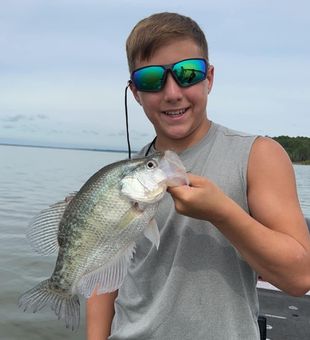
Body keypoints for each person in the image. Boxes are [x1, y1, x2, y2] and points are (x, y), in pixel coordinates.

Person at [86, 12, 310, 339]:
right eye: (151, 79)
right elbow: (102, 275)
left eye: (188, 73)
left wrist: (222, 212)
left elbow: (299, 277)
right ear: (135, 92)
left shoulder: (258, 156)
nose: (173, 92)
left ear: (210, 78)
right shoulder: (127, 179)